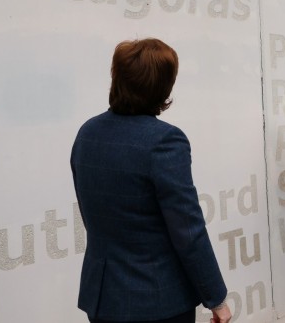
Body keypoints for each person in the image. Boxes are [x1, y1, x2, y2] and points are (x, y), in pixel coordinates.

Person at [71, 39, 231, 323]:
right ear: (163, 87)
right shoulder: (164, 141)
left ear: (117, 78)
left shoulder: (87, 133)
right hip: (157, 300)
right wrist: (216, 298)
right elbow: (188, 230)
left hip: (103, 297)